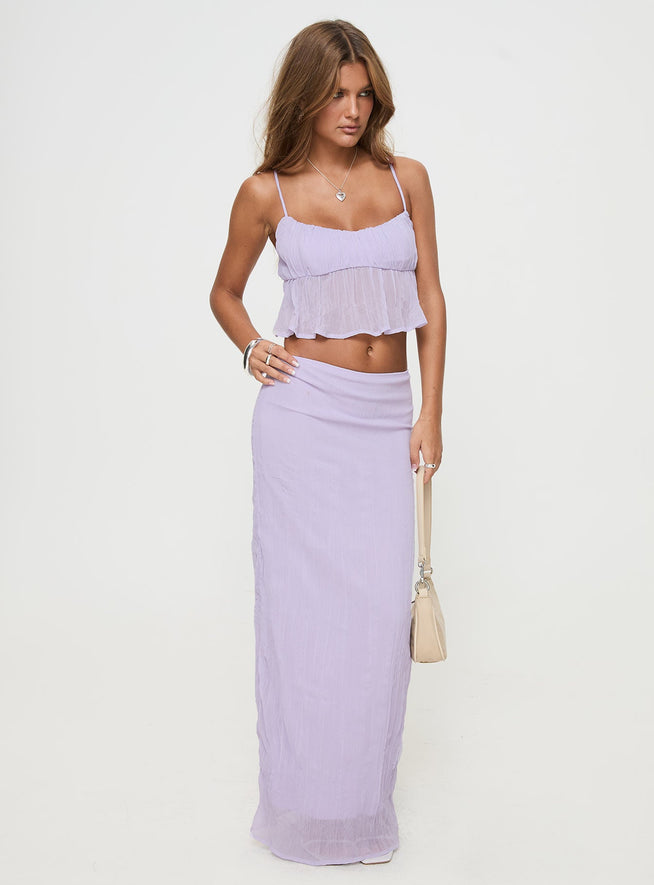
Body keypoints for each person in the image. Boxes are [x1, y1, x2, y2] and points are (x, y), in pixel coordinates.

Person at [209, 18, 446, 867]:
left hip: (385, 419)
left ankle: (362, 812)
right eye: (336, 94)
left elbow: (432, 299)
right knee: (302, 616)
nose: (352, 109)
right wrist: (251, 347)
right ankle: (304, 814)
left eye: (363, 93)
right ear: (304, 98)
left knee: (378, 617)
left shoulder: (407, 179)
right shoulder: (264, 192)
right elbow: (224, 291)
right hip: (302, 421)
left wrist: (430, 411)